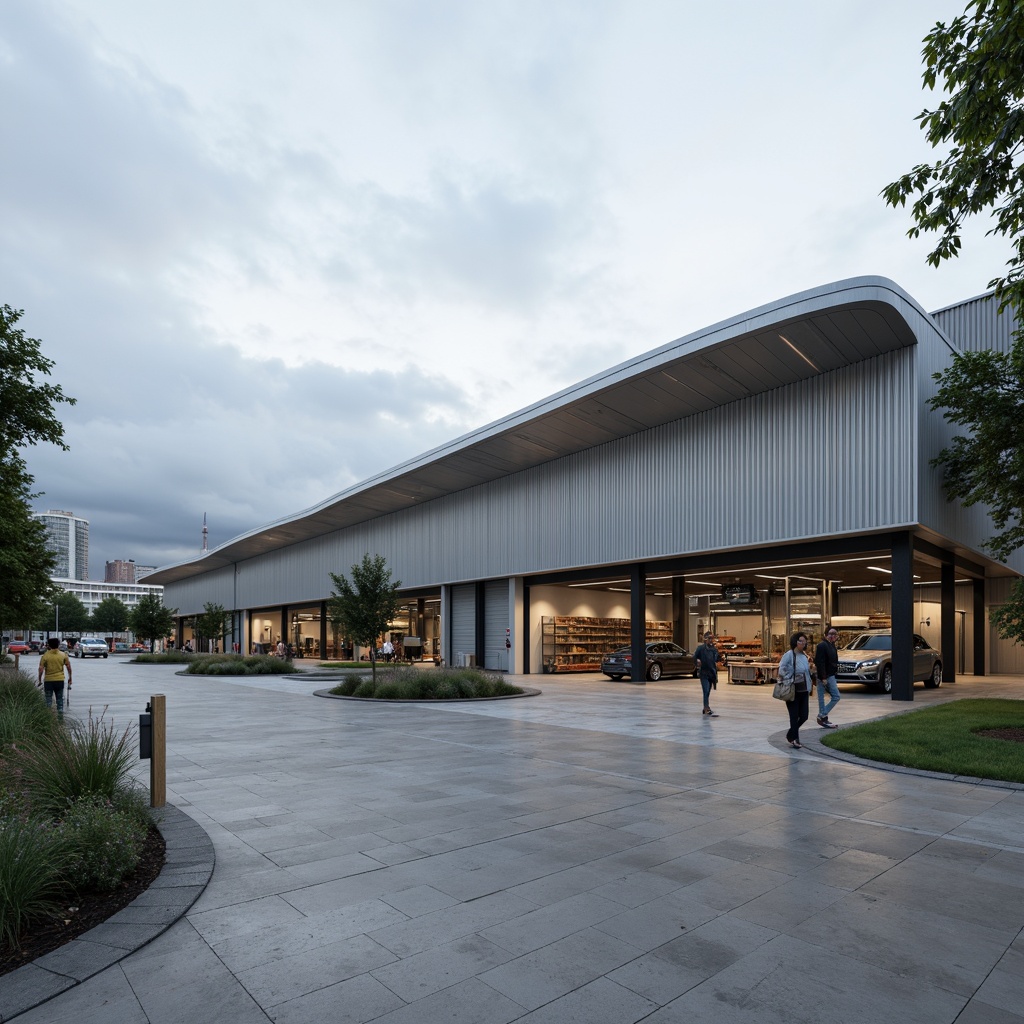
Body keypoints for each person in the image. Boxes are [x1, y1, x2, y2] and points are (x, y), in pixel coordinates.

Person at [779, 631, 813, 748]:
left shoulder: (804, 655)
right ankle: (795, 739)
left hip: (804, 690)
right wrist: (791, 676)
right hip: (792, 690)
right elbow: (781, 670)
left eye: (804, 641)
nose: (803, 643)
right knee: (794, 716)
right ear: (795, 642)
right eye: (800, 641)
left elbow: (807, 672)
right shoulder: (789, 654)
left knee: (804, 716)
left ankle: (790, 734)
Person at [37, 637, 72, 720]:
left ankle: (48, 719)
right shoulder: (63, 655)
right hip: (59, 680)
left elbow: (41, 669)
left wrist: (39, 679)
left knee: (48, 701)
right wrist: (70, 678)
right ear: (58, 644)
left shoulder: (45, 656)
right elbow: (69, 667)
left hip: (48, 681)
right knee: (60, 700)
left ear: (49, 645)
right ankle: (60, 719)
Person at [814, 626, 841, 728]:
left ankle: (823, 718)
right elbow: (820, 662)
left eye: (835, 634)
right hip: (825, 676)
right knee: (836, 696)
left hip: (829, 674)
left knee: (821, 698)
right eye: (831, 633)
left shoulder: (831, 645)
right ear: (826, 635)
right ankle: (822, 715)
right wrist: (823, 677)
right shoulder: (822, 645)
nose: (833, 636)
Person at [693, 632, 720, 717]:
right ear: (705, 639)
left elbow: (716, 659)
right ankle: (706, 708)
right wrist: (697, 661)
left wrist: (720, 659)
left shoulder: (714, 649)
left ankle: (706, 707)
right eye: (709, 638)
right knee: (706, 690)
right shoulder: (700, 648)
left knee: (708, 691)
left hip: (711, 673)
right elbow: (694, 657)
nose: (711, 640)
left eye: (712, 638)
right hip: (704, 673)